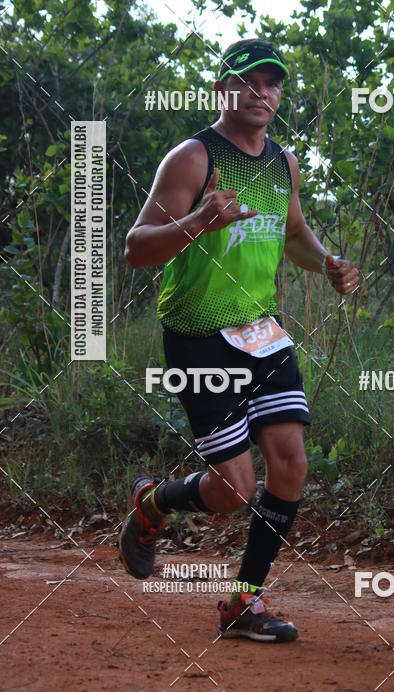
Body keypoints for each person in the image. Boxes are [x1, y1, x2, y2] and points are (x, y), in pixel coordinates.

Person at [119, 38, 359, 642]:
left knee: (291, 464)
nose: (262, 93)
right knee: (233, 490)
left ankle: (242, 604)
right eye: (249, 82)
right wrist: (201, 219)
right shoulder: (193, 159)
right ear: (223, 88)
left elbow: (295, 233)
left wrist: (329, 262)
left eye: (273, 84)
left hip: (262, 331)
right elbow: (136, 248)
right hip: (198, 336)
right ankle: (154, 502)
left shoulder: (284, 162)